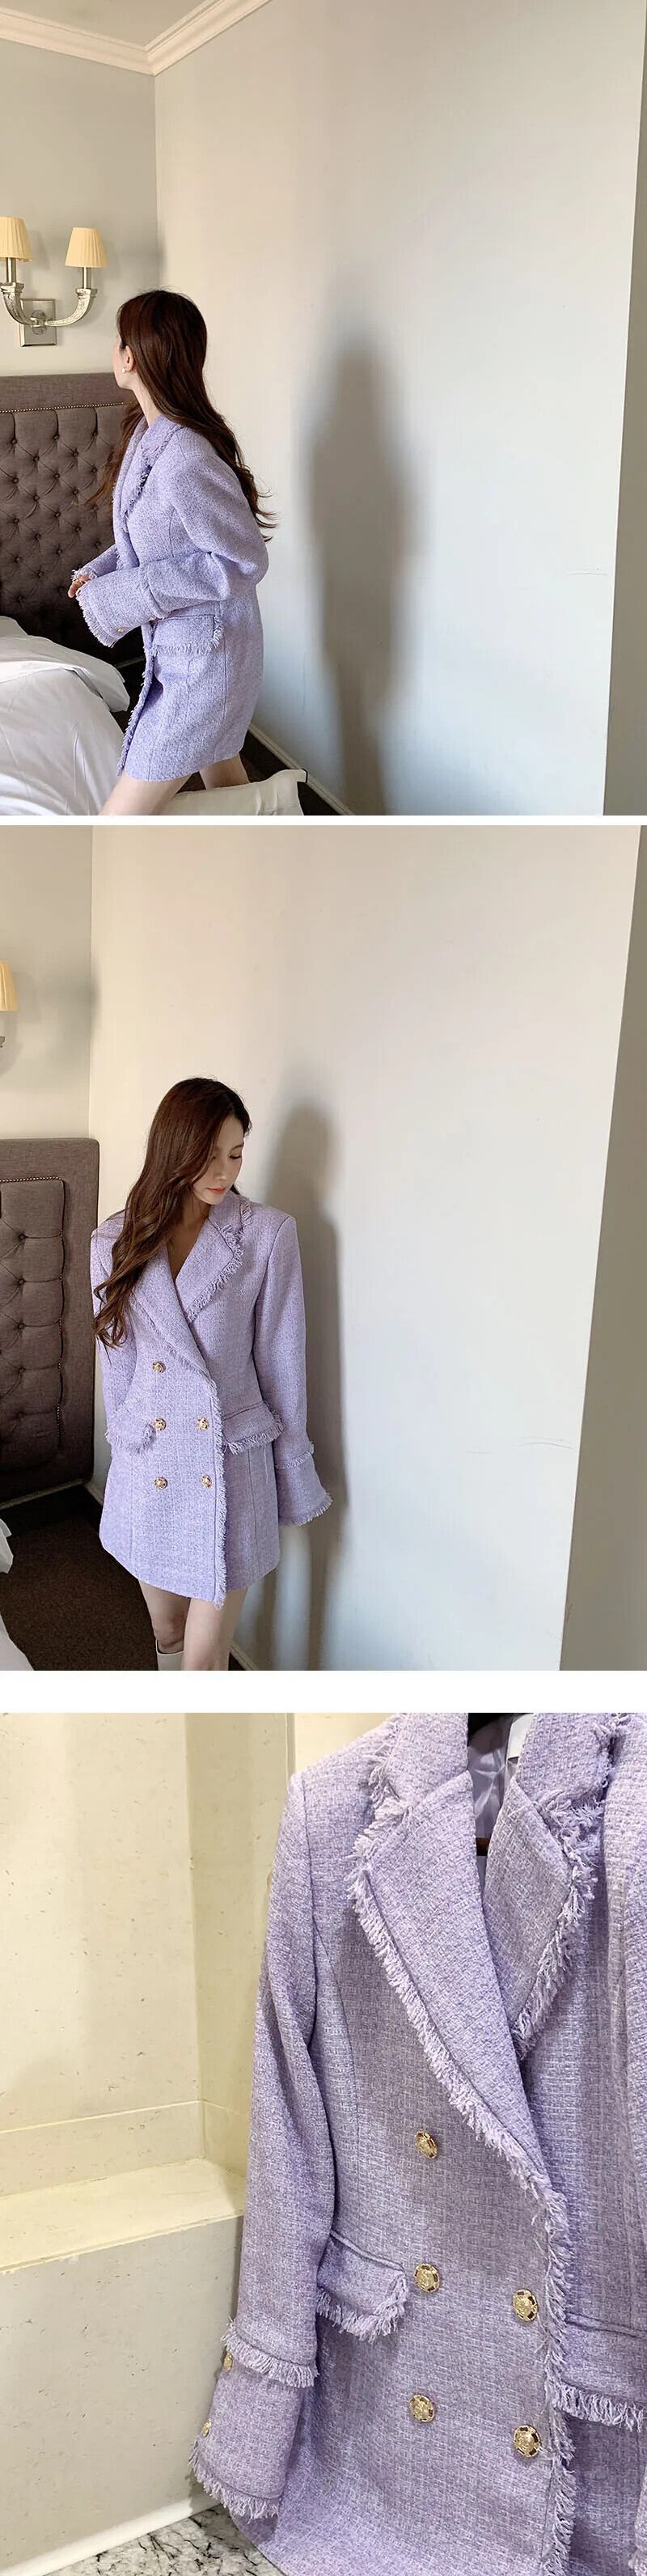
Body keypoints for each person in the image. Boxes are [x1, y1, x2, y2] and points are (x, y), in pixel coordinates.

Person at [91, 1078, 330, 1671]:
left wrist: (292, 1468)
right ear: (174, 1151)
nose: (224, 1172)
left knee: (203, 1660)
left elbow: (282, 1363)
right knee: (167, 1629)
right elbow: (119, 1369)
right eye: (209, 1155)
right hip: (151, 1463)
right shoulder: (114, 1240)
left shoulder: (266, 1235)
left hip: (228, 1465)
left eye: (236, 1153)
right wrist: (125, 1445)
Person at [69, 290, 271, 814]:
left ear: (132, 356)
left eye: (118, 340)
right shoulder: (148, 436)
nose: (114, 350)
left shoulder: (185, 456)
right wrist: (100, 573)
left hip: (208, 663)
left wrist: (123, 593)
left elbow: (242, 559)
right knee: (230, 788)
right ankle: (274, 839)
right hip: (186, 651)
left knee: (116, 824)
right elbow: (149, 539)